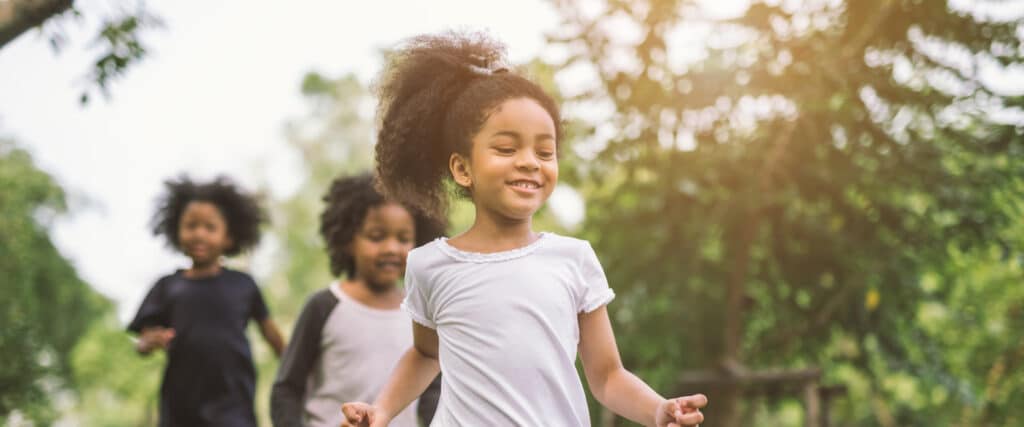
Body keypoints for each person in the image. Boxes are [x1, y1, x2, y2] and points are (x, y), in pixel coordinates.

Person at [341, 31, 707, 427]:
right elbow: (427, 355)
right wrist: (382, 410)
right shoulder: (429, 266)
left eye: (544, 152)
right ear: (463, 168)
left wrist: (657, 409)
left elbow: (606, 376)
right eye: (506, 148)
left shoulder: (573, 259)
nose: (530, 162)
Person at [270, 173, 445, 427]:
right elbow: (286, 389)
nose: (392, 248)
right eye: (376, 236)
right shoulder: (324, 306)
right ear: (348, 241)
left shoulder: (420, 311)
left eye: (403, 238)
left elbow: (431, 390)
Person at [128, 175, 284, 427]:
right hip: (181, 403)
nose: (199, 234)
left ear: (228, 237)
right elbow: (142, 342)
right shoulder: (168, 286)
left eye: (210, 227)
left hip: (233, 400)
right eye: (191, 225)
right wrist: (149, 342)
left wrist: (296, 369)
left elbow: (270, 332)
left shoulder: (243, 284)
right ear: (177, 231)